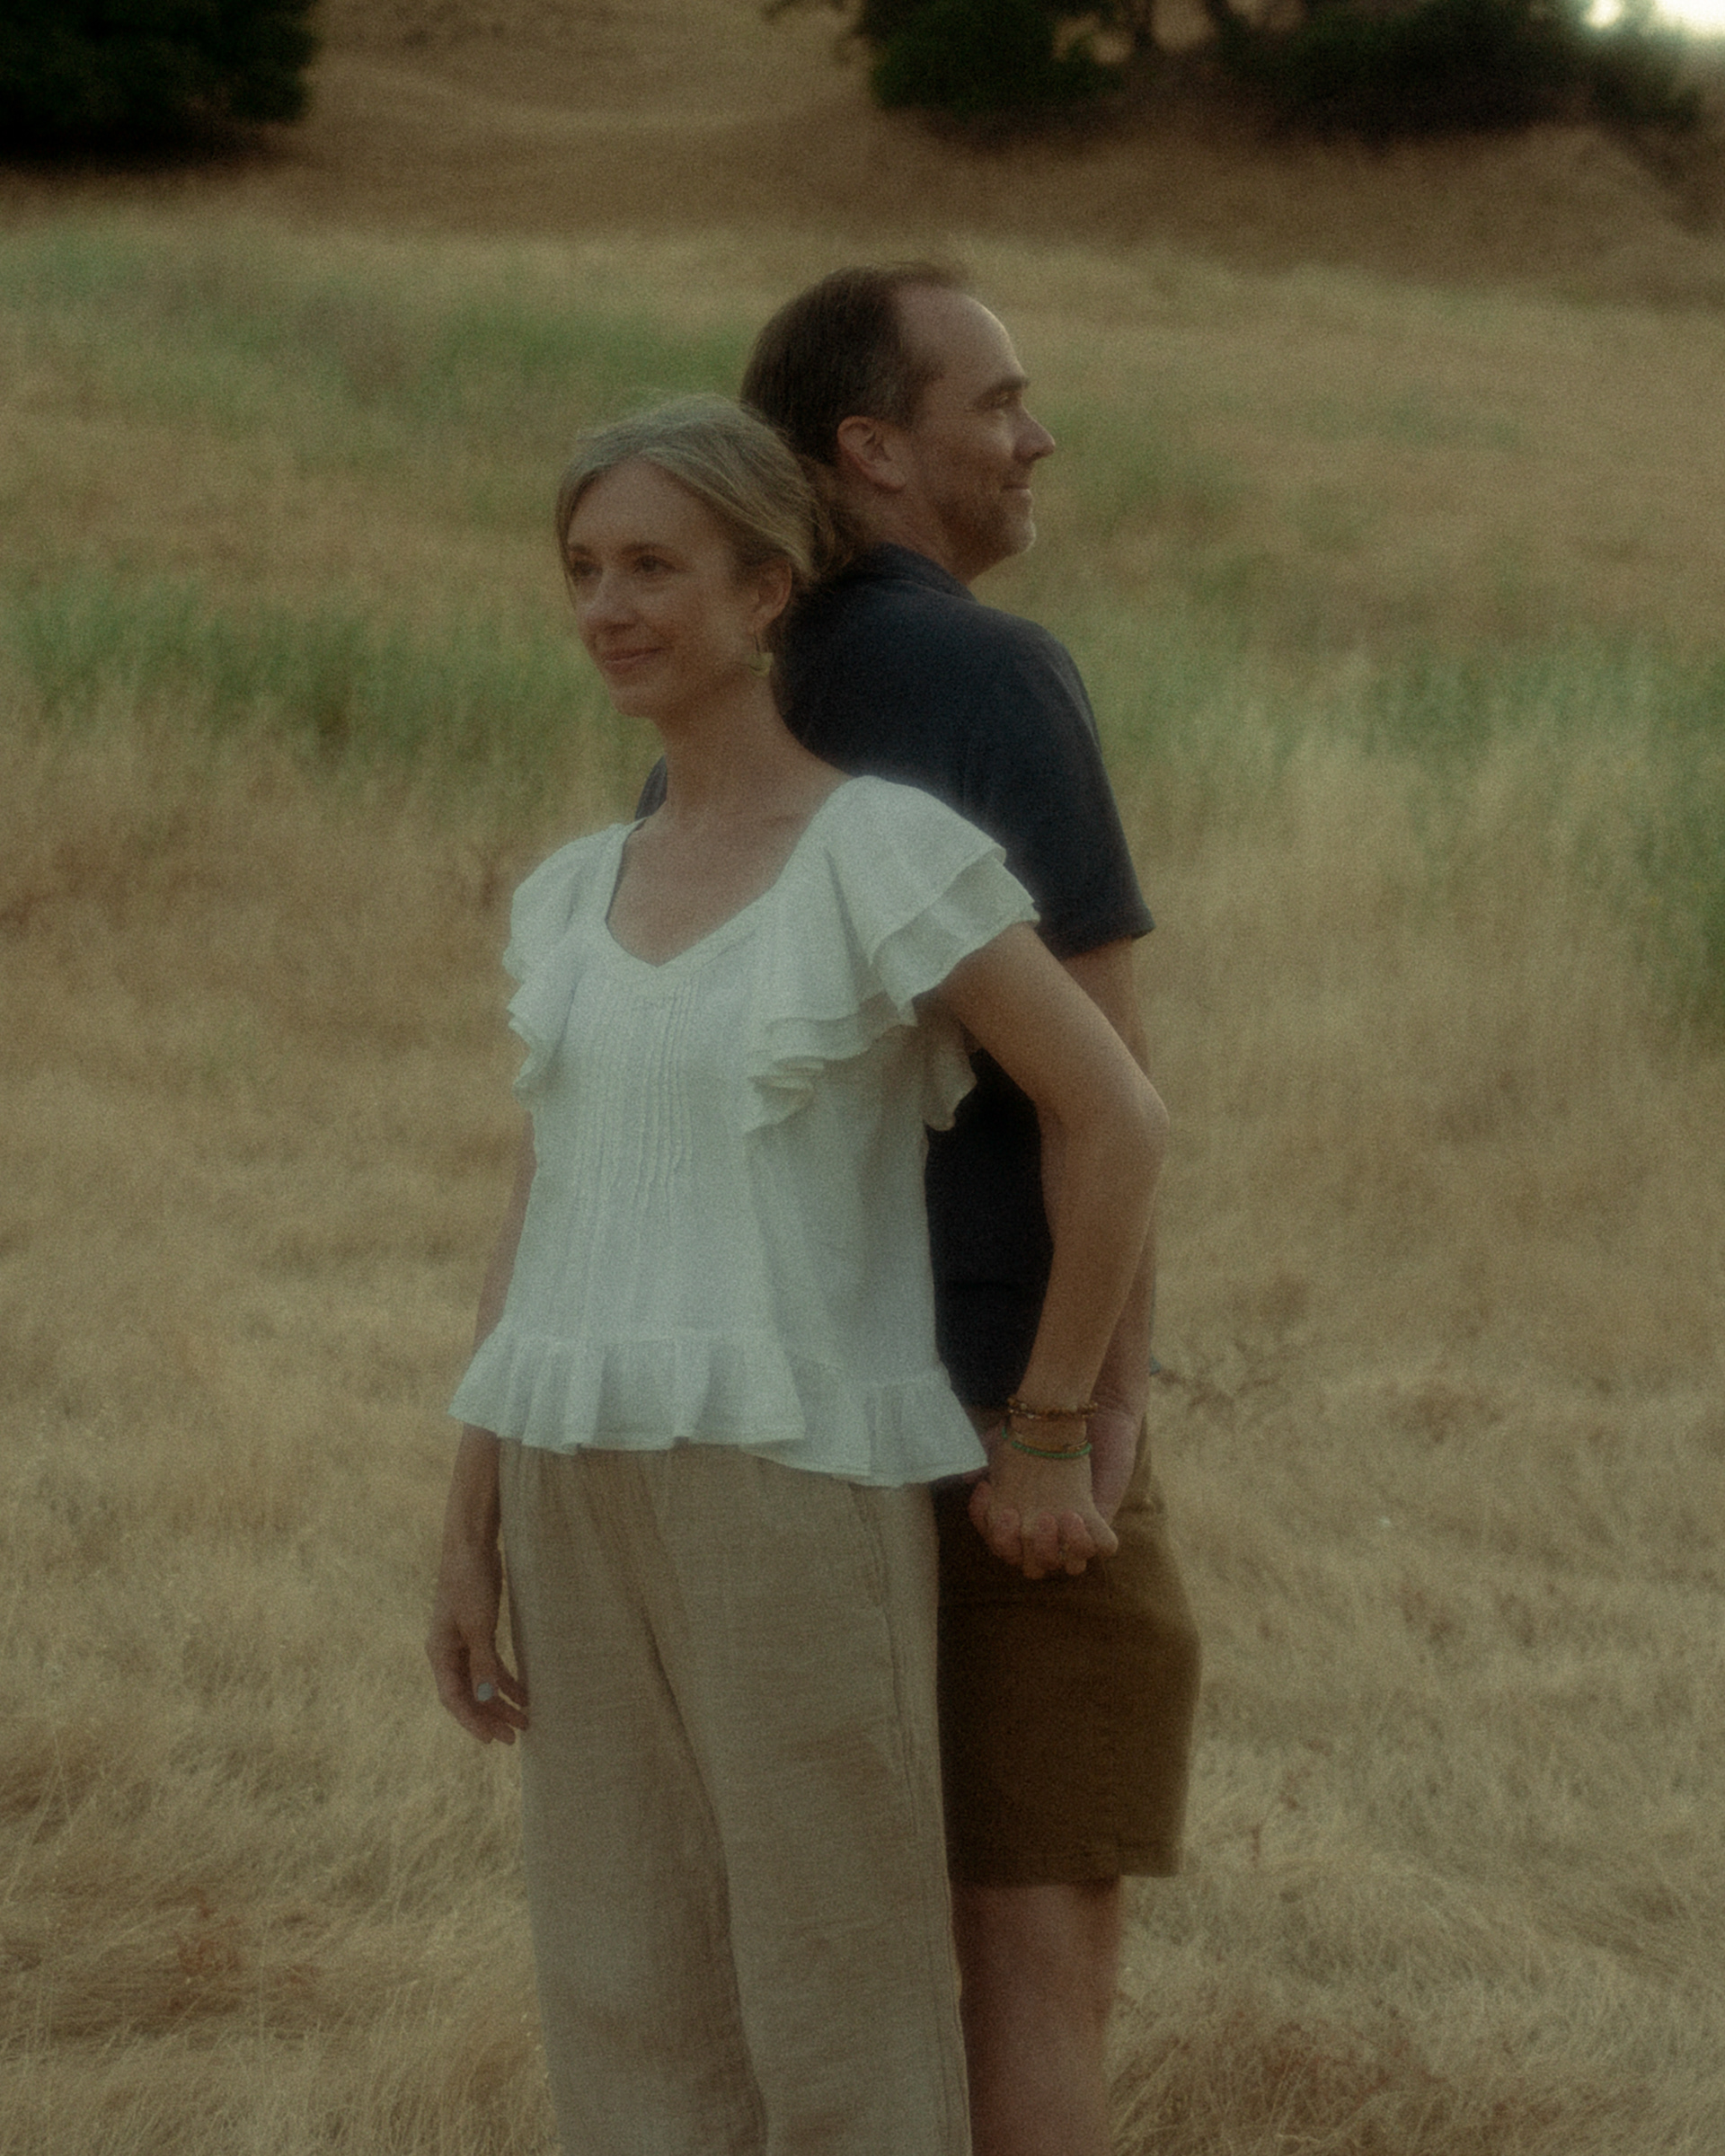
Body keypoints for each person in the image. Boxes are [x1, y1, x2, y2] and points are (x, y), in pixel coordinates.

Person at [425, 395, 1167, 2156]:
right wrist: (469, 1513)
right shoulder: (572, 893)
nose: (609, 608)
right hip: (574, 1483)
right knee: (625, 1991)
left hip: (794, 1485)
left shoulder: (880, 854)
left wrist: (1051, 1425)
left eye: (654, 567)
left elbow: (1117, 1119)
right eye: (585, 570)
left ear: (768, 592)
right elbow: (547, 1208)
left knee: (839, 1996)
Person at [639, 270, 1203, 2156]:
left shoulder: (731, 698)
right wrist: (1079, 1412)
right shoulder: (990, 672)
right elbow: (1106, 1099)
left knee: (822, 1976)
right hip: (978, 1410)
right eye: (1001, 402)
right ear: (873, 448)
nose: (1039, 437)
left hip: (765, 1411)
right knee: (1029, 1960)